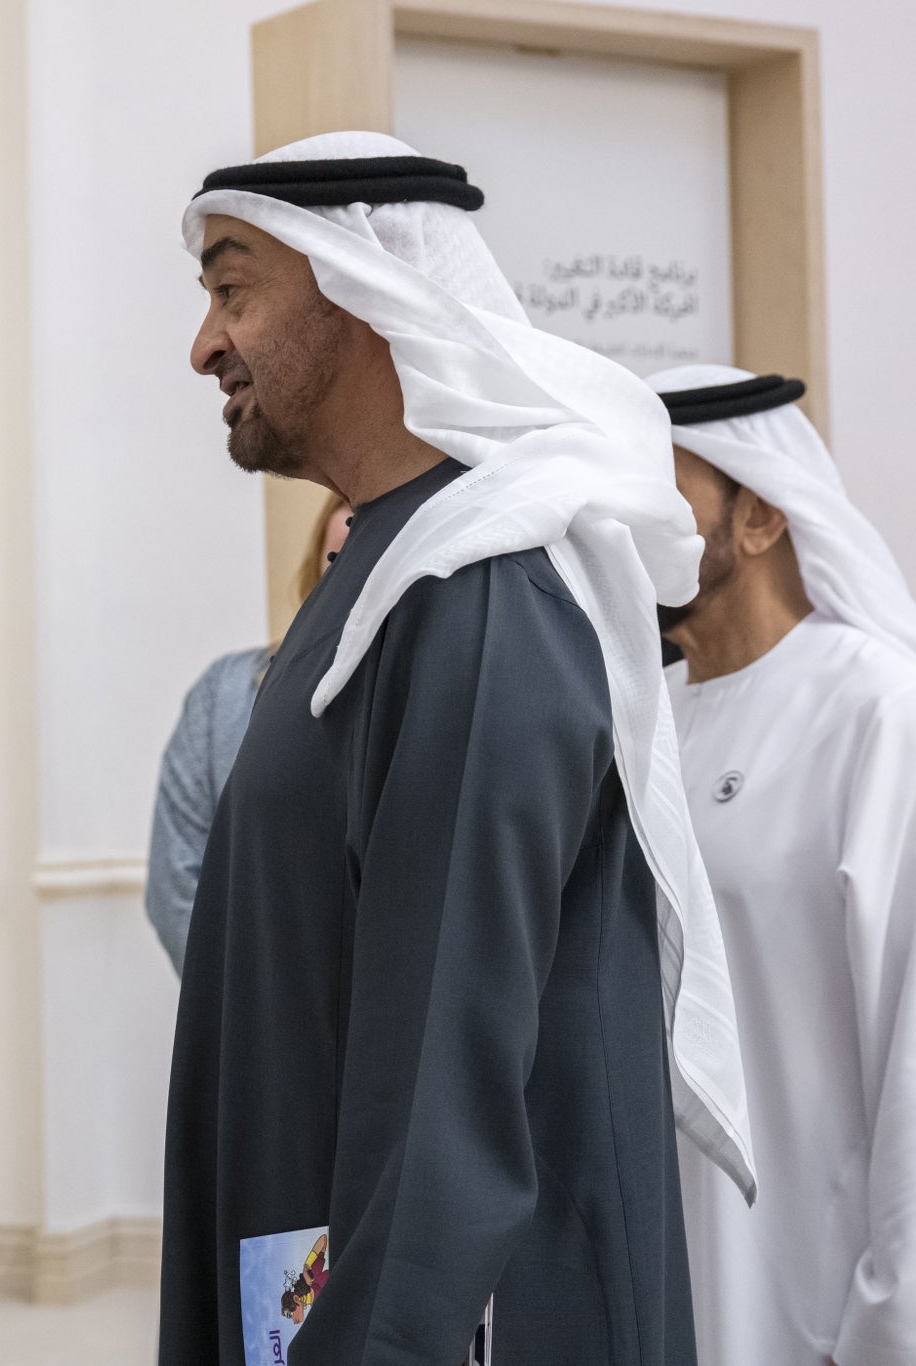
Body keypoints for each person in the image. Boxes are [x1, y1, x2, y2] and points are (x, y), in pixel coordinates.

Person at [157, 132, 755, 1365]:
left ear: (358, 290)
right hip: (313, 1261)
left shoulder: (476, 596)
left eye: (231, 291)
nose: (204, 344)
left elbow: (445, 1081)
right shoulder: (388, 569)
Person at [650, 365, 916, 1366]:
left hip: (819, 1309)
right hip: (665, 1283)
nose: (627, 521)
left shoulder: (878, 712)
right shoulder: (644, 721)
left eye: (659, 490)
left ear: (759, 517)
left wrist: (886, 1327)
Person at [146, 494, 348, 970]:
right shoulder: (226, 694)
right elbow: (176, 885)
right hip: (254, 1000)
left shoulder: (437, 687)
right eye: (338, 561)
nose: (354, 577)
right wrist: (253, 997)